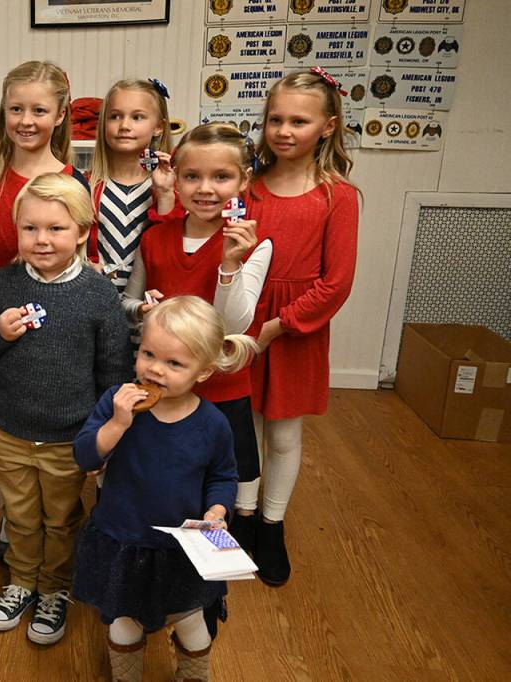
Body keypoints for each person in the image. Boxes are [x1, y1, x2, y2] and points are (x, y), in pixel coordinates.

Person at [0, 172, 132, 646]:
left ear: (82, 232)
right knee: (19, 513)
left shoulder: (98, 294)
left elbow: (113, 370)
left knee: (60, 517)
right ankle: (21, 582)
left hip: (69, 435)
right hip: (12, 430)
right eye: (30, 228)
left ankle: (55, 588)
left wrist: (107, 434)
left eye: (56, 229)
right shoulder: (2, 284)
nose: (41, 239)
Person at [0, 59, 89, 560]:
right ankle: (14, 510)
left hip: (53, 317)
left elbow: (81, 253)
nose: (26, 120)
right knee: (3, 411)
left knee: (46, 404)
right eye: (15, 109)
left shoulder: (74, 180)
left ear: (61, 114)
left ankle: (58, 516)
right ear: (3, 112)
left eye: (39, 110)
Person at [73, 296, 258, 682]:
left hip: (182, 550)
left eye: (174, 363)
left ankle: (193, 676)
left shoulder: (212, 424)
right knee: (123, 624)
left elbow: (223, 477)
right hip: (123, 538)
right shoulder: (117, 402)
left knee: (192, 626)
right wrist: (117, 425)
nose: (155, 370)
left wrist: (217, 511)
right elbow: (85, 457)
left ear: (203, 372)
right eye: (148, 354)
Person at [123, 123, 272, 552]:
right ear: (176, 179)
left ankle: (219, 545)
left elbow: (235, 325)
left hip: (221, 386)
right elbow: (128, 306)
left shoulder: (255, 244)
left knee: (220, 471)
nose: (205, 189)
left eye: (221, 177)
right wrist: (144, 311)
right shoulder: (154, 238)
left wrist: (229, 265)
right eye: (192, 177)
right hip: (161, 386)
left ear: (244, 181)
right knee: (162, 464)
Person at [245, 67, 359, 585]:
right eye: (275, 119)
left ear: (328, 127)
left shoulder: (339, 197)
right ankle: (242, 520)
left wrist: (281, 324)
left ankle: (271, 525)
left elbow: (335, 283)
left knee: (284, 433)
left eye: (298, 120)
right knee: (241, 428)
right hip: (243, 320)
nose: (284, 131)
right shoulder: (246, 187)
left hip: (294, 330)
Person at [86, 78, 175, 300]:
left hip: (150, 300)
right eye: (115, 116)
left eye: (137, 117)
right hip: (95, 299)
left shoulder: (168, 186)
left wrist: (165, 195)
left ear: (158, 127)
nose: (124, 125)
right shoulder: (85, 184)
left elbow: (169, 245)